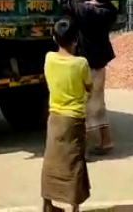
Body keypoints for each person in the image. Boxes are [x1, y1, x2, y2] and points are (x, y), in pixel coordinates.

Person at [57, 0, 117, 155]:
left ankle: (81, 148)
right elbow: (81, 4)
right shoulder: (109, 11)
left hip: (87, 63)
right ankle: (106, 141)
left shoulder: (87, 11)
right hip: (100, 62)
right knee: (98, 101)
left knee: (82, 105)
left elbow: (65, 1)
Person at [41, 19, 92, 212]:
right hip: (74, 119)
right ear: (76, 40)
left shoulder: (48, 58)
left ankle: (47, 203)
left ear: (54, 38)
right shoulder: (81, 63)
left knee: (51, 160)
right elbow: (89, 86)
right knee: (74, 161)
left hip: (54, 117)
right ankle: (74, 207)